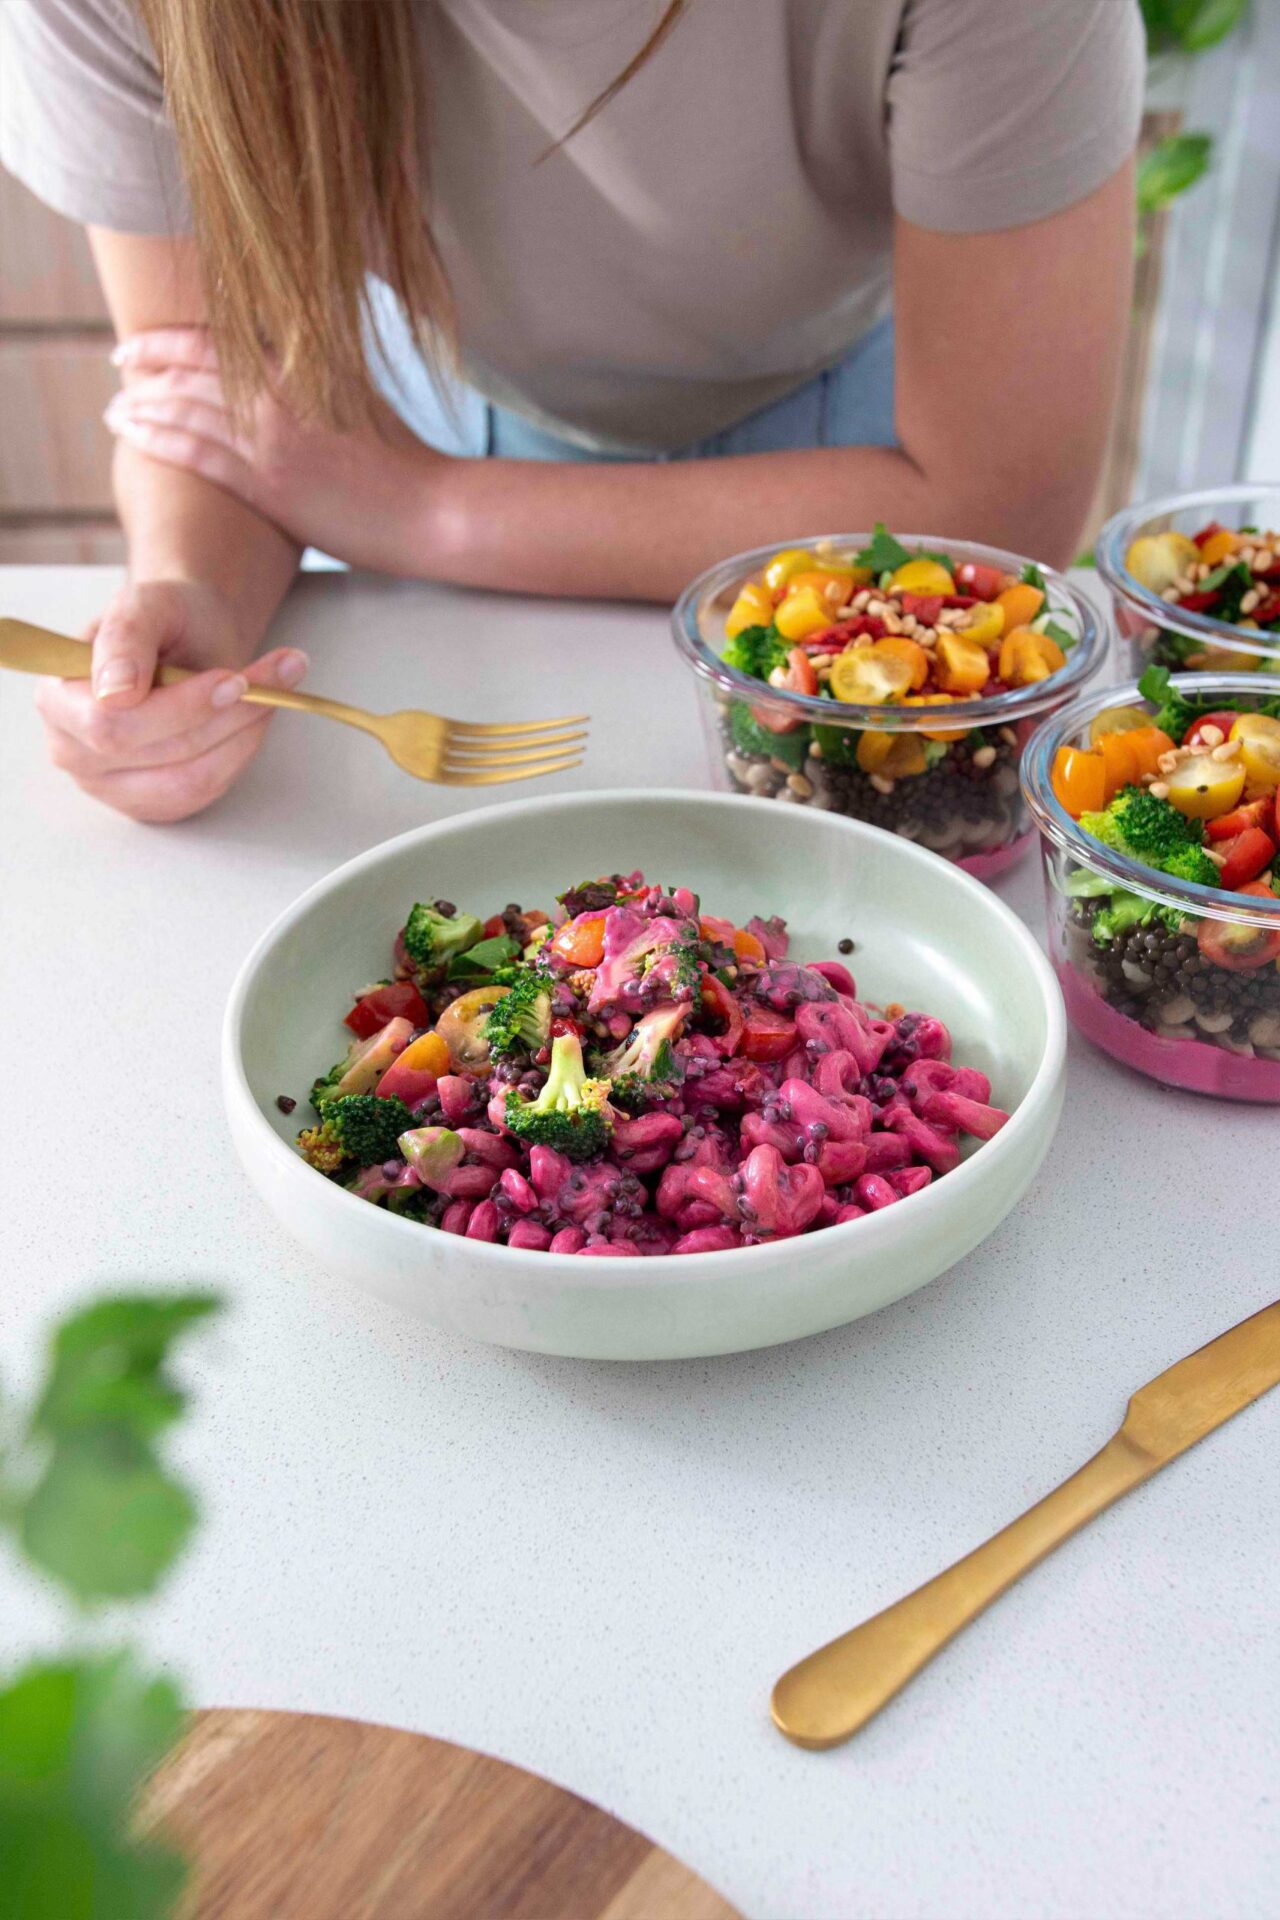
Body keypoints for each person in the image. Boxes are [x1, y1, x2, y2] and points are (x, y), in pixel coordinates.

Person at [0, 0, 1143, 822]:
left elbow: (998, 499)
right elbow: (206, 391)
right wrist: (191, 597)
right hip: (414, 420)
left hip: (852, 437)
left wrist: (426, 510)